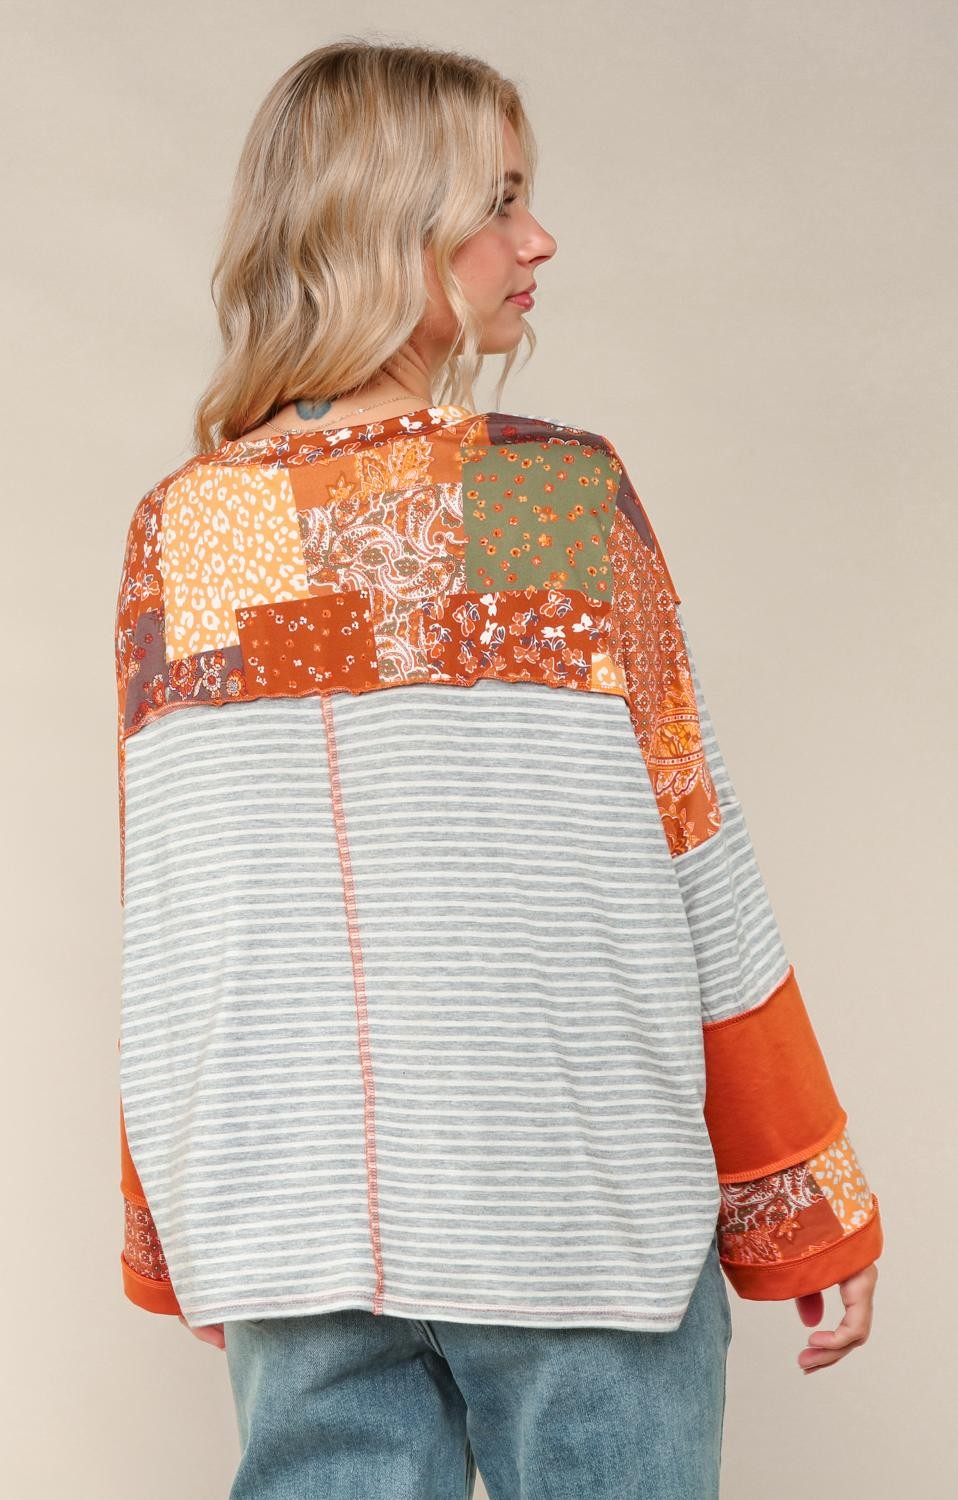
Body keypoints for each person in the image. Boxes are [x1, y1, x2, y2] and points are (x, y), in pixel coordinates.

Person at [114, 39, 883, 1500]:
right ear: (385, 221)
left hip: (299, 1227)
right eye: (500, 201)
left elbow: (179, 911)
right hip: (572, 1209)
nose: (539, 241)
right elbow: (689, 847)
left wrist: (189, 1217)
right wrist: (805, 1200)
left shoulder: (187, 529)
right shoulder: (547, 494)